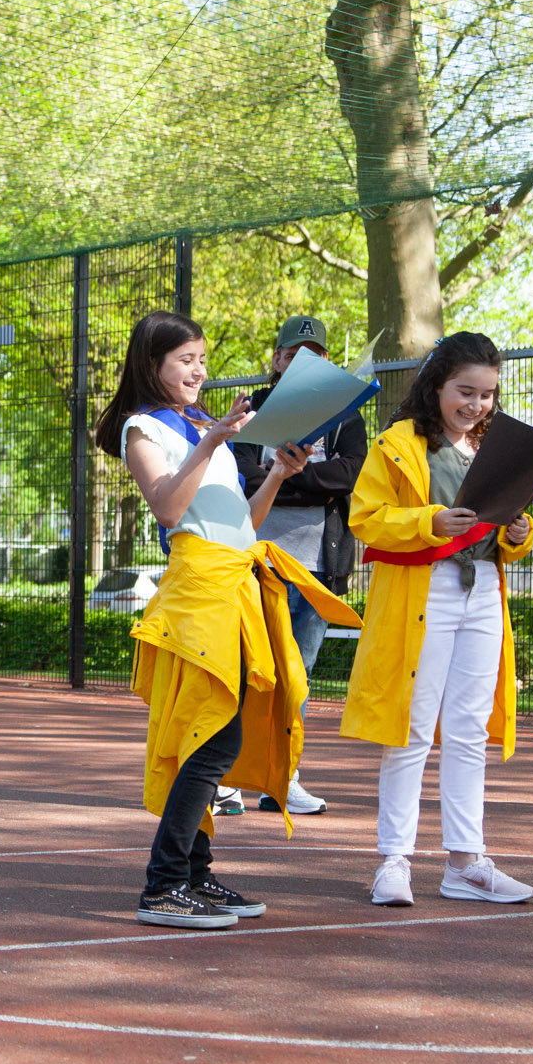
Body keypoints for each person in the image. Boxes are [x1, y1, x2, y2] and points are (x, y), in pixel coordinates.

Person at [94, 310, 359, 929]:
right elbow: (167, 506)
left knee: (219, 733)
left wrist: (278, 474)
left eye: (202, 359)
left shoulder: (199, 425)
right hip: (199, 592)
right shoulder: (145, 428)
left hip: (235, 584)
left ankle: (194, 875)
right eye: (186, 360)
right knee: (211, 737)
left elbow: (244, 518)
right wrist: (211, 443)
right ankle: (163, 885)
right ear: (152, 364)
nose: (199, 371)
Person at [340, 332, 533, 907]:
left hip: (483, 594)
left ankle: (466, 862)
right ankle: (393, 860)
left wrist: (517, 536)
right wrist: (430, 522)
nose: (475, 405)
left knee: (469, 732)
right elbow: (367, 520)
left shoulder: (491, 448)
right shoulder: (399, 443)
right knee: (410, 730)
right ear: (436, 385)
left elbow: (502, 525)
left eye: (487, 395)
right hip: (421, 596)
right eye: (465, 391)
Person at [233, 313, 366, 816]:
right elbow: (243, 476)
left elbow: (350, 474)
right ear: (277, 360)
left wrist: (285, 476)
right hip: (255, 563)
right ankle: (227, 777)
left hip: (317, 569)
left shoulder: (345, 416)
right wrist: (296, 476)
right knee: (246, 669)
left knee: (298, 676)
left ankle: (282, 777)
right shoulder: (252, 410)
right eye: (293, 355)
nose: (301, 363)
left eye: (314, 356)